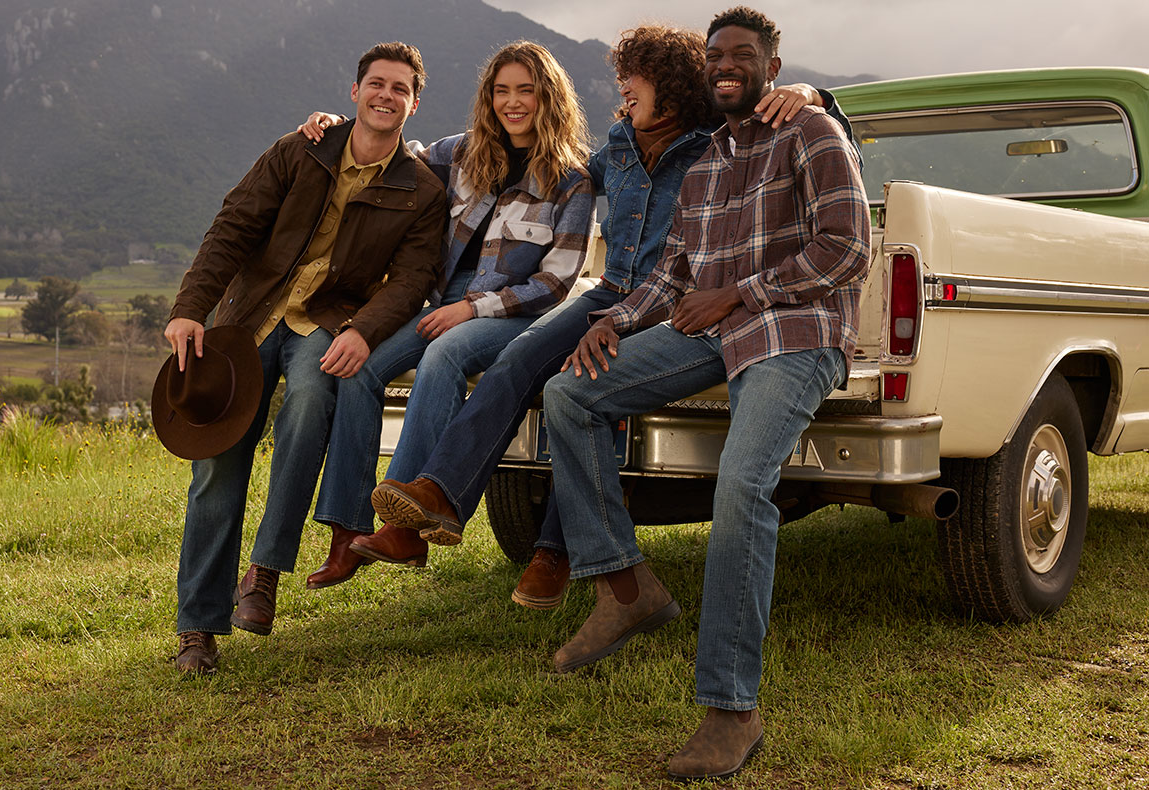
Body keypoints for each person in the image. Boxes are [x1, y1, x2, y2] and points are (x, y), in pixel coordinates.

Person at [357, 25, 851, 609]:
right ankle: (441, 493)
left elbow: (810, 134)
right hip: (609, 292)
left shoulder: (714, 141)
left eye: (630, 76)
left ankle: (553, 550)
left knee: (589, 380)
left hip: (666, 299)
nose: (621, 89)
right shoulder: (615, 144)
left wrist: (816, 95)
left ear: (665, 83)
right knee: (520, 358)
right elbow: (547, 169)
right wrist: (360, 135)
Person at [546, 7, 871, 780]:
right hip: (711, 333)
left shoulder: (811, 134)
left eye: (742, 55)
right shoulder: (704, 163)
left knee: (739, 487)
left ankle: (731, 711)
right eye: (715, 55)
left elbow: (848, 248)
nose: (726, 65)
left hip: (794, 334)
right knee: (570, 394)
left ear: (771, 67)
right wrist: (616, 322)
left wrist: (739, 295)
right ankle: (626, 589)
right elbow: (673, 274)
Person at [163, 42, 447, 676]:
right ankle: (198, 629)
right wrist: (191, 307)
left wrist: (366, 330)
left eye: (400, 89)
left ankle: (263, 573)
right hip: (251, 316)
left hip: (326, 322)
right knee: (216, 466)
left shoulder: (420, 189)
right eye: (376, 84)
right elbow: (233, 226)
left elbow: (413, 278)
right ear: (354, 92)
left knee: (312, 399)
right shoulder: (299, 149)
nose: (386, 96)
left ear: (414, 103)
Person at [293, 42, 595, 585]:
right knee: (360, 364)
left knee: (444, 356)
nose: (513, 102)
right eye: (501, 91)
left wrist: (471, 308)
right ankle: (344, 532)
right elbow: (386, 152)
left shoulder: (571, 178)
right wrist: (338, 125)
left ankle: (405, 527)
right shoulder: (459, 153)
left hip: (514, 310)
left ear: (548, 96)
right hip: (441, 301)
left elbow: (555, 282)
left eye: (525, 90)